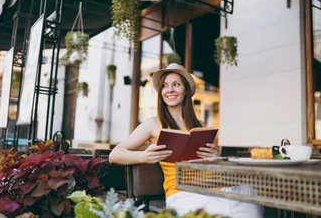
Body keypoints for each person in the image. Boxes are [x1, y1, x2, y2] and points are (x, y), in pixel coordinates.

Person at [109, 63, 263, 217]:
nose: (169, 90)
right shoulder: (153, 124)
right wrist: (143, 156)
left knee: (249, 196)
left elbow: (215, 164)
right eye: (165, 85)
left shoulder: (201, 125)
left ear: (186, 90)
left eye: (176, 84)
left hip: (216, 187)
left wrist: (214, 157)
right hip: (183, 192)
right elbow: (114, 155)